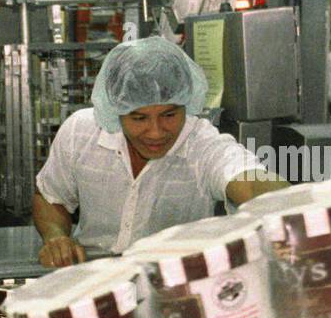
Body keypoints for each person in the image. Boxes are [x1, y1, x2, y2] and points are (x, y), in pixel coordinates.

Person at [33, 36, 291, 267]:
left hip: (173, 288)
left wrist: (293, 208)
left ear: (186, 105)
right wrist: (56, 237)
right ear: (116, 110)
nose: (156, 132)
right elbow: (50, 196)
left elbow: (250, 183)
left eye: (169, 115)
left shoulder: (200, 142)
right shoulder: (81, 132)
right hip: (91, 282)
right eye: (139, 118)